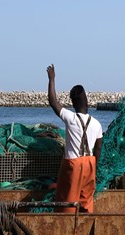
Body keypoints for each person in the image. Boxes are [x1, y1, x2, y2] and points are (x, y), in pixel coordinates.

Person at [47, 64, 103, 213]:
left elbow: (53, 101)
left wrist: (52, 79)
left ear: (72, 103)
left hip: (73, 164)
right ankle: (86, 223)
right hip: (90, 163)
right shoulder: (97, 124)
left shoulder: (70, 118)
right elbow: (98, 148)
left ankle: (66, 225)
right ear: (87, 102)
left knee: (67, 202)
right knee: (86, 201)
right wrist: (93, 166)